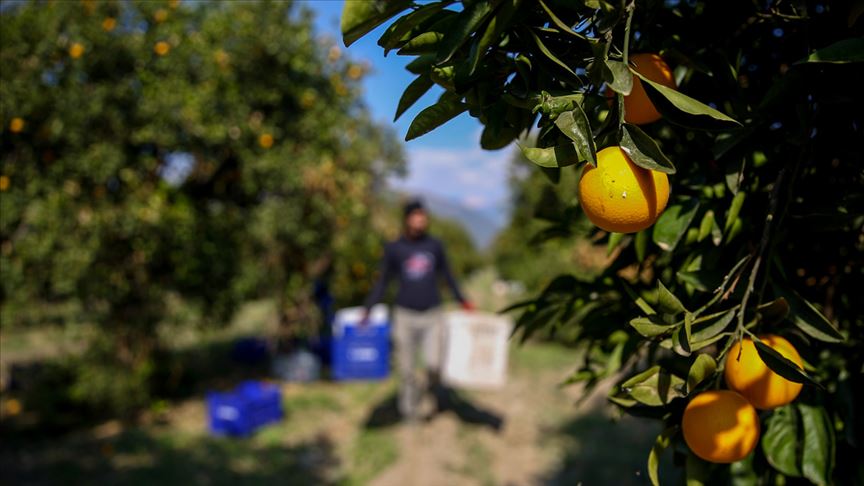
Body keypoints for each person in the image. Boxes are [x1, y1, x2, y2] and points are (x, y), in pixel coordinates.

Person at [361, 199, 473, 421]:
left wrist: (463, 301)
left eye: (423, 215)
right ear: (407, 219)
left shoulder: (435, 246)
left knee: (434, 364)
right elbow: (383, 281)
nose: (421, 219)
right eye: (416, 215)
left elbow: (448, 276)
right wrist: (368, 308)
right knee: (406, 369)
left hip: (433, 314)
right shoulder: (395, 248)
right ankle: (409, 411)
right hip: (405, 315)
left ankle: (433, 393)